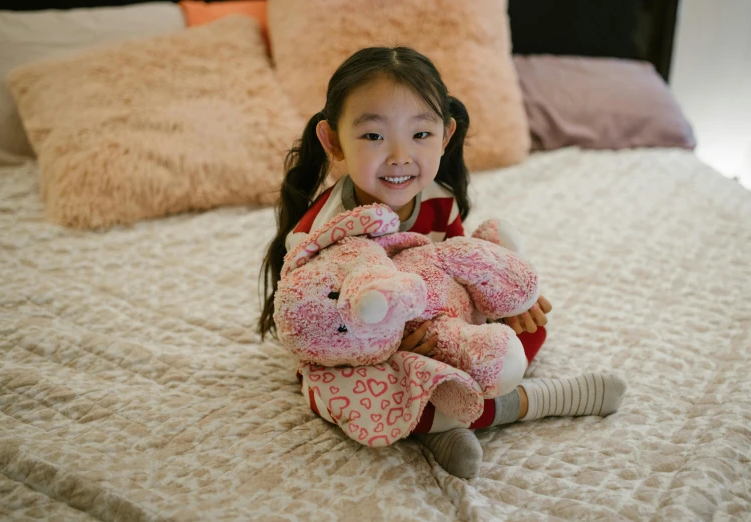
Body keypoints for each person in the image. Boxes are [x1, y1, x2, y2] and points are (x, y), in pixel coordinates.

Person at [258, 46, 625, 479]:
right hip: (365, 348)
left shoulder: (439, 201)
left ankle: (444, 411)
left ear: (445, 136)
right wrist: (388, 347)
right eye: (373, 136)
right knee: (353, 396)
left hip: (441, 331)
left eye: (420, 134)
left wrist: (509, 300)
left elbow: (457, 269)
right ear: (333, 142)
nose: (399, 155)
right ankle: (534, 402)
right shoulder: (323, 232)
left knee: (530, 325)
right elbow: (309, 321)